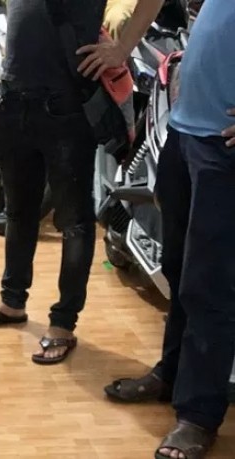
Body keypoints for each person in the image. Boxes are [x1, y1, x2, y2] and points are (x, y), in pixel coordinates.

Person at [0, 0, 163, 364]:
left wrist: (121, 48)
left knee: (74, 222)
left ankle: (63, 323)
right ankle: (12, 301)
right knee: (19, 211)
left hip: (67, 104)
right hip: (14, 97)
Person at [103, 0, 234, 456]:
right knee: (177, 269)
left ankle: (198, 415)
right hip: (187, 130)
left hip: (223, 147)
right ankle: (174, 374)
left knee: (209, 284)